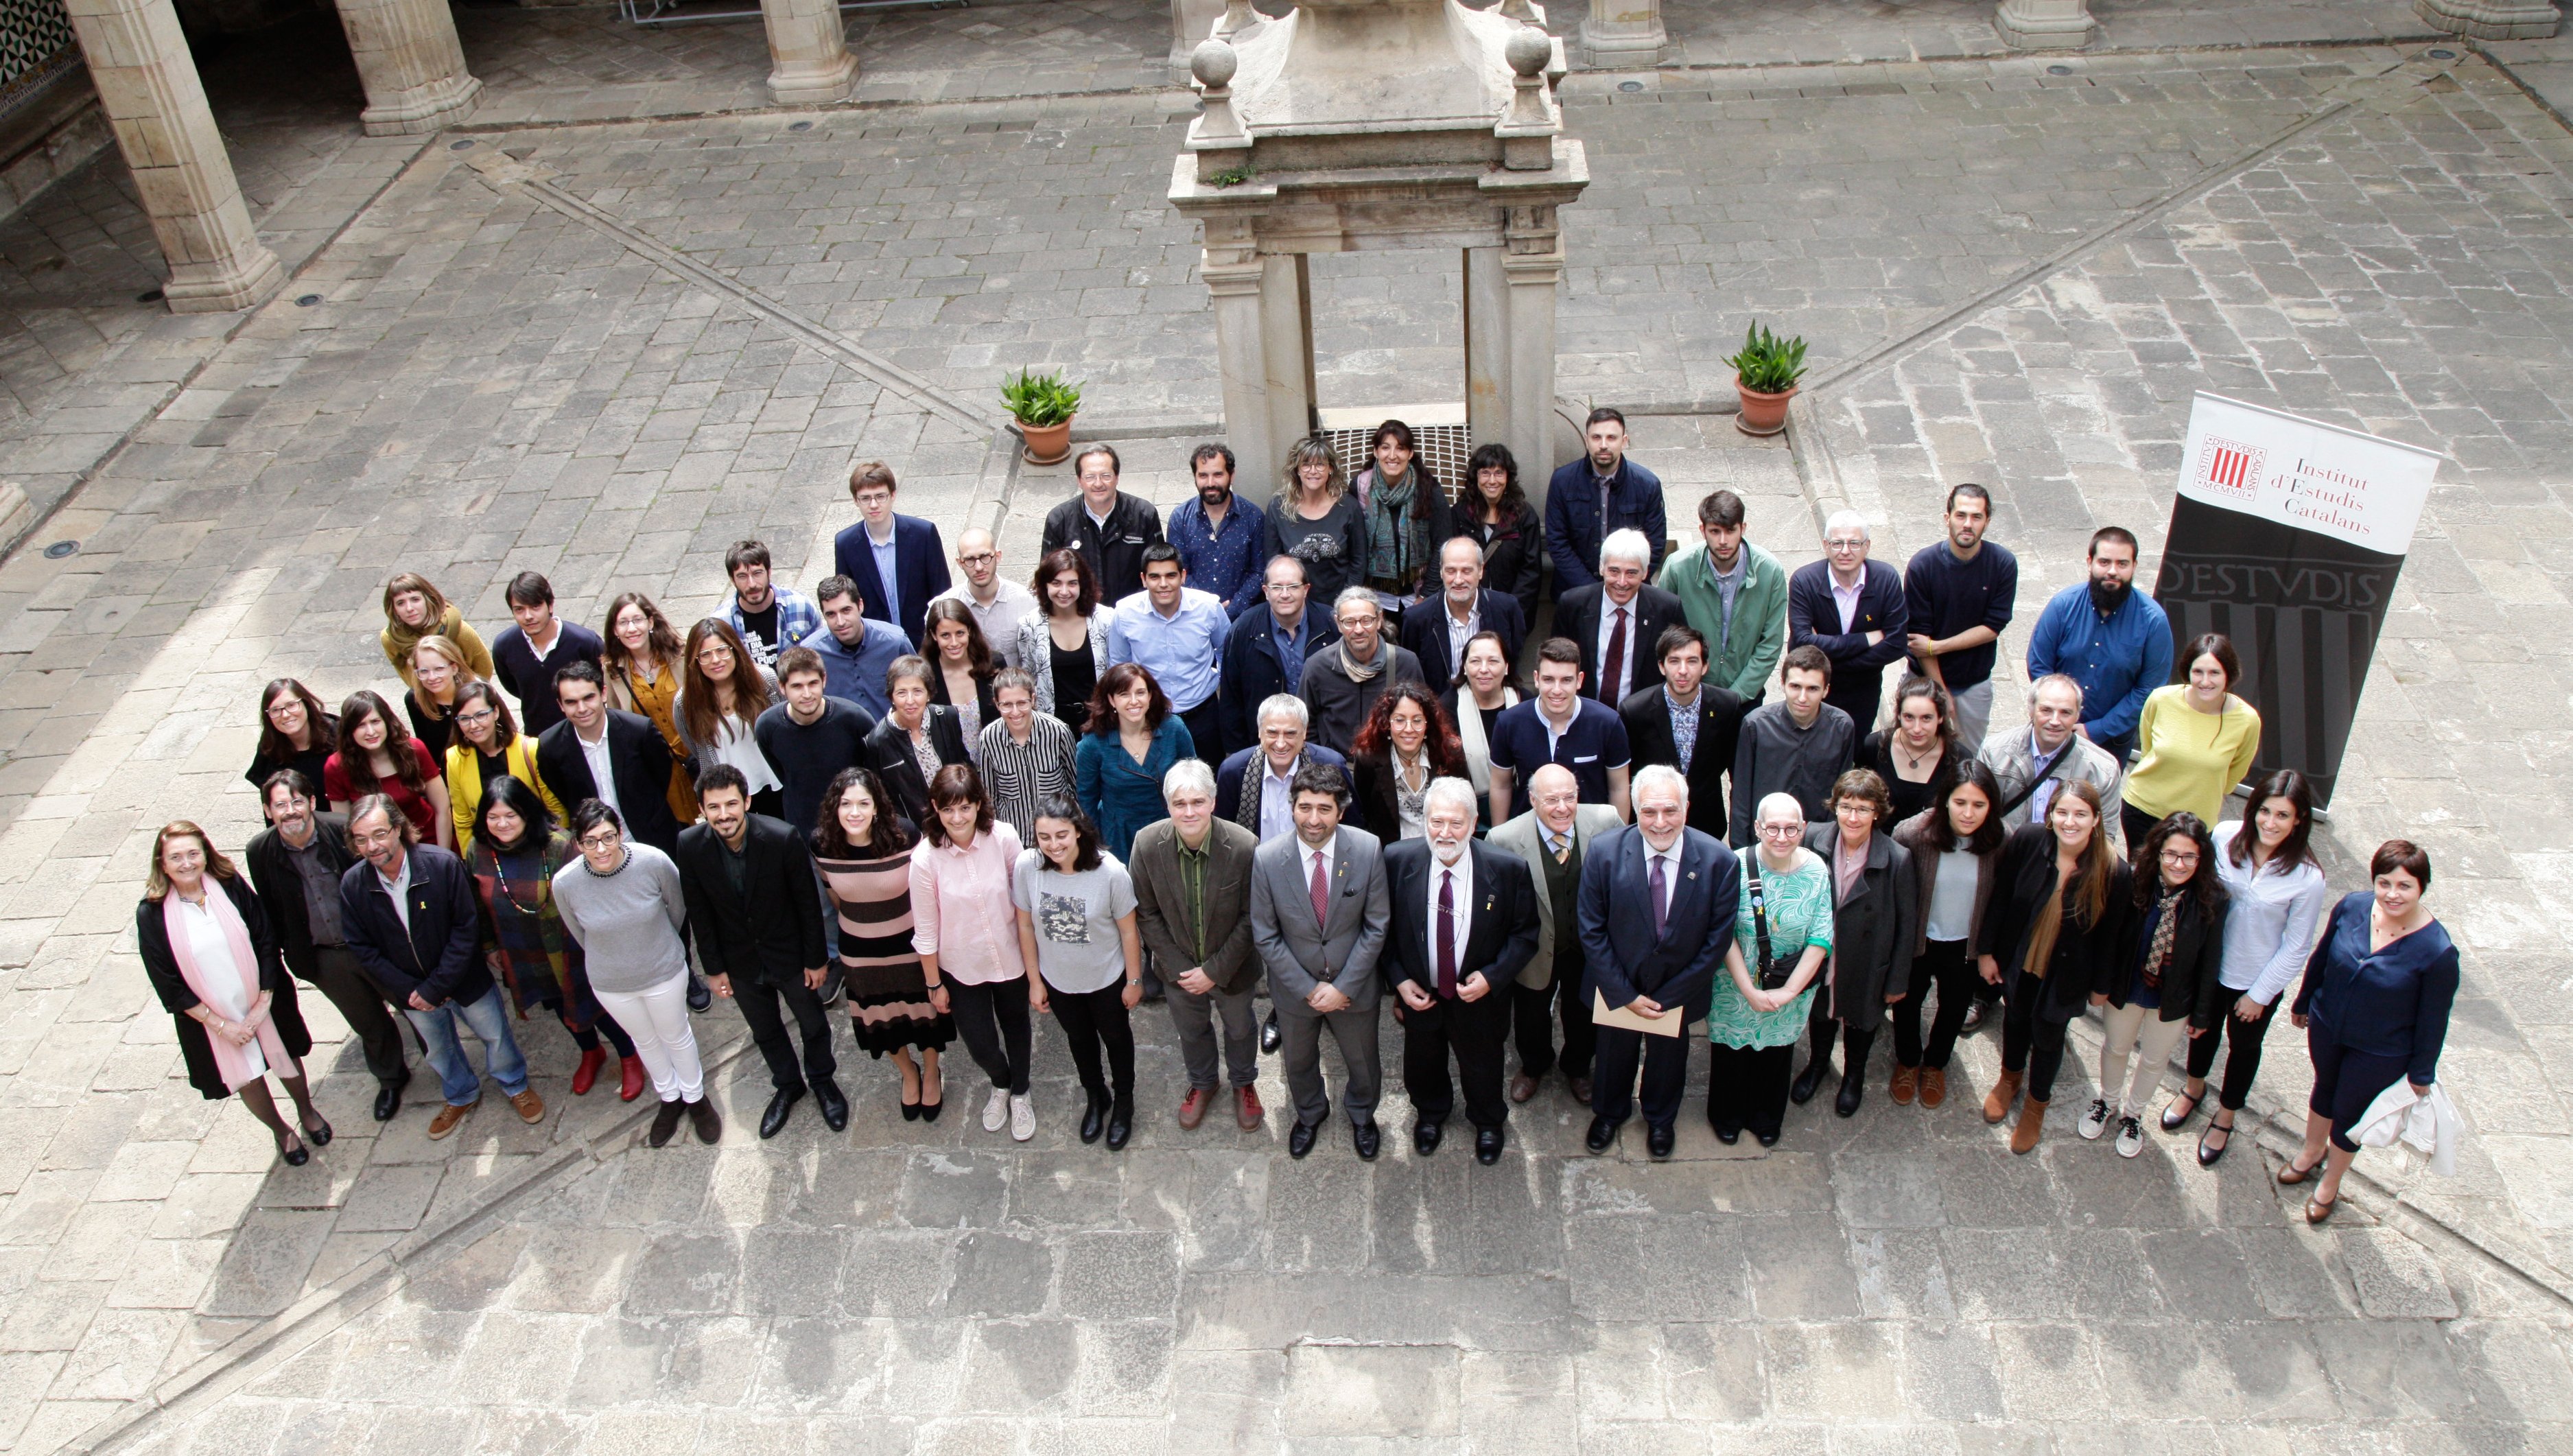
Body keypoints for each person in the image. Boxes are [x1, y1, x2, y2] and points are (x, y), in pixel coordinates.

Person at [339, 795, 544, 1140]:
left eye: (378, 834)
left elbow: (466, 928)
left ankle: (515, 1085)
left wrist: (437, 986)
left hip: (464, 981)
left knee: (495, 1036)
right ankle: (460, 1093)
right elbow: (362, 948)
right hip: (411, 993)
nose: (371, 846)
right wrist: (409, 992)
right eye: (361, 839)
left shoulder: (442, 865)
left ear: (398, 829)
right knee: (439, 1049)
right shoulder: (353, 885)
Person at [2282, 840, 2458, 1224]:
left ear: (2422, 888)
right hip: (2328, 1026)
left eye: (2404, 886)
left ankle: (2331, 1182)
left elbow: (2434, 1019)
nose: (2392, 894)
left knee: (2350, 1113)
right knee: (2324, 1088)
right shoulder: (2353, 906)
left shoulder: (2438, 952)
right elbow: (2324, 956)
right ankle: (2312, 1150)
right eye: (2384, 883)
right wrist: (2304, 999)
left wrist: (2421, 1074)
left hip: (2381, 1051)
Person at [139, 822, 328, 1166]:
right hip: (211, 1018)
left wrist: (264, 1002)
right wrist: (221, 1025)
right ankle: (282, 1130)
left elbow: (265, 936)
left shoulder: (229, 885)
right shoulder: (151, 914)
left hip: (262, 998)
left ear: (206, 854)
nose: (186, 864)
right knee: (247, 1075)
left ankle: (307, 1110)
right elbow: (165, 979)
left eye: (193, 854)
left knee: (286, 1056)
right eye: (176, 857)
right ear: (162, 863)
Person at [1577, 764, 1737, 1160]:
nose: (1660, 823)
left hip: (1677, 992)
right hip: (1620, 987)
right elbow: (1591, 929)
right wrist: (1624, 993)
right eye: (1649, 812)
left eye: (1670, 811)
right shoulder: (1604, 852)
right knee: (1613, 1054)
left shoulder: (1720, 862)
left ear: (1687, 807)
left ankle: (1660, 1119)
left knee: (1669, 1060)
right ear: (1634, 810)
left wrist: (1671, 995)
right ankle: (1610, 1113)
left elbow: (1717, 941)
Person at [2172, 769, 2327, 1166]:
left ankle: (2226, 1116)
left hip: (2256, 979)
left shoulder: (2307, 878)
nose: (2270, 823)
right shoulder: (2224, 836)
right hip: (2210, 966)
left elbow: (2297, 947)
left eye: (2282, 816)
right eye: (2265, 811)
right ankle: (2193, 1089)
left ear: (2299, 821)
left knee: (2244, 1047)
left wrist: (2259, 995)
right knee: (2200, 1031)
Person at [677, 765, 841, 1139]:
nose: (724, 815)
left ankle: (822, 1081)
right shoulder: (689, 845)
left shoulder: (782, 838)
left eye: (731, 804)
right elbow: (699, 911)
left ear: (747, 801)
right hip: (740, 963)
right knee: (765, 1031)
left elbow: (808, 905)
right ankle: (788, 1084)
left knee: (813, 1024)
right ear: (702, 809)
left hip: (790, 957)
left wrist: (817, 960)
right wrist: (714, 968)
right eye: (714, 807)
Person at [1382, 777, 1538, 1164]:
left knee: (1483, 1063)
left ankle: (1488, 1121)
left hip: (1480, 1000)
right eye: (1436, 822)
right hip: (1421, 995)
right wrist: (1398, 980)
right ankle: (1431, 1113)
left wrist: (1493, 977)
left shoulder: (1507, 869)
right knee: (1422, 1062)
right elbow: (1380, 931)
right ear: (1425, 822)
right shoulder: (1397, 861)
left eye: (1456, 823)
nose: (1445, 833)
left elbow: (1525, 936)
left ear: (1473, 824)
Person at [549, 800, 718, 1147]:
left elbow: (677, 907)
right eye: (591, 841)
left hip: (663, 972)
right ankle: (670, 1097)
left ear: (620, 833)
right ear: (578, 844)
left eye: (608, 837)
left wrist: (658, 946)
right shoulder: (566, 883)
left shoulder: (652, 862)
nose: (602, 848)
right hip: (611, 984)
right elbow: (580, 933)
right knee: (645, 1041)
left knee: (676, 1035)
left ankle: (696, 1097)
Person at [1977, 780, 2133, 1153]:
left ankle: (2036, 1105)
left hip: (2066, 975)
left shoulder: (2115, 871)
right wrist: (1987, 952)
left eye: (2081, 814)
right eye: (2062, 812)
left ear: (2096, 819)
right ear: (2050, 815)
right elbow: (1999, 898)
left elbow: (2114, 936)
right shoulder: (2030, 841)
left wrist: (2102, 985)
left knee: (2048, 1038)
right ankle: (2009, 1079)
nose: (2070, 822)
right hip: (2020, 960)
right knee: (2014, 1021)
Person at [246, 773, 412, 1120]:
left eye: (296, 802)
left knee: (414, 1005)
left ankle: (446, 1066)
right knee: (367, 1022)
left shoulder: (341, 831)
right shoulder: (259, 851)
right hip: (324, 956)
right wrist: (293, 957)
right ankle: (392, 1078)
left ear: (311, 802)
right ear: (267, 810)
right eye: (280, 805)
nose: (290, 811)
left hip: (373, 943)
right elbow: (271, 907)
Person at [464, 777, 642, 1101]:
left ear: (527, 814)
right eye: (493, 817)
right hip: (522, 947)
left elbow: (591, 896)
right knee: (557, 1003)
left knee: (593, 1004)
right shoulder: (478, 849)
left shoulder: (558, 845)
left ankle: (629, 1054)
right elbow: (477, 903)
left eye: (510, 815)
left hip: (568, 945)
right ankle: (590, 1051)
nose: (501, 824)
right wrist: (489, 946)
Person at [1249, 763, 1391, 1160]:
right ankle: (1310, 1113)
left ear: (1341, 811)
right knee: (1298, 1060)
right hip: (1296, 991)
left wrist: (1342, 987)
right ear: (1292, 807)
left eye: (1324, 809)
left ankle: (1363, 1114)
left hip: (1354, 988)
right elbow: (1266, 934)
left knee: (1363, 1060)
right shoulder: (1267, 858)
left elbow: (1376, 926)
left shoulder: (1366, 850)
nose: (1314, 819)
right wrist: (1309, 989)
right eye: (1305, 807)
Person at [1130, 760, 1265, 1132]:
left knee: (1240, 1028)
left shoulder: (1243, 845)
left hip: (1233, 969)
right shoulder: (1146, 844)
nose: (1189, 812)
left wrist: (1214, 972)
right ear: (1167, 805)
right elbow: (1146, 912)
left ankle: (1244, 1082)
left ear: (1213, 802)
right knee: (1192, 1030)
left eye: (1197, 802)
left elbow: (1252, 917)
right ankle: (1203, 1083)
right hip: (1179, 972)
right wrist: (1181, 968)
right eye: (1179, 804)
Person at [2082, 810, 2226, 1158]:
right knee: (2116, 1047)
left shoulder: (2213, 899)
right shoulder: (2133, 883)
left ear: (2202, 858)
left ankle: (2134, 1115)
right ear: (2158, 852)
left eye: (2189, 856)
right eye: (2171, 854)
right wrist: (2101, 984)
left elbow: (2211, 961)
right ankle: (2108, 1101)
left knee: (2154, 1059)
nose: (2179, 864)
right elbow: (2111, 938)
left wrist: (2202, 1015)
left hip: (2172, 998)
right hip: (2129, 986)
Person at [812, 766, 951, 1120]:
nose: (854, 812)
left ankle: (932, 1071)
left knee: (926, 1016)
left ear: (877, 807)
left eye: (863, 803)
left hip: (910, 948)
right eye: (846, 804)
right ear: (835, 808)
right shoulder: (822, 844)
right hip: (861, 955)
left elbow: (926, 890)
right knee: (882, 1022)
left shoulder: (904, 835)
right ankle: (909, 1074)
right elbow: (836, 898)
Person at [911, 764, 1039, 1142]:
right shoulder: (925, 859)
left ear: (978, 805)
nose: (957, 817)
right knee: (980, 1042)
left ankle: (1020, 1092)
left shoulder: (1003, 838)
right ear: (935, 808)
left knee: (1017, 1026)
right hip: (962, 967)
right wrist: (934, 983)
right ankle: (1001, 1081)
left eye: (965, 808)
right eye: (948, 809)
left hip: (1010, 956)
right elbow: (926, 929)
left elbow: (1024, 897)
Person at [1012, 796, 1144, 1149]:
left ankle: (1124, 1102)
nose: (1053, 845)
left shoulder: (1110, 872)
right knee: (1079, 1039)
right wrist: (1035, 981)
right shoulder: (1027, 866)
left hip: (1106, 978)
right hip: (1059, 981)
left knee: (1116, 1040)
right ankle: (1095, 1094)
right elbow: (1025, 926)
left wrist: (1134, 980)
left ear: (1078, 832)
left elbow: (1129, 930)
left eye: (1061, 835)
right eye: (1044, 837)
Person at [1704, 792, 1832, 1147]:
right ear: (1757, 828)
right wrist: (1748, 990)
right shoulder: (1733, 865)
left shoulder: (1817, 871)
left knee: (1777, 1056)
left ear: (1803, 829)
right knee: (1731, 1055)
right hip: (1735, 984)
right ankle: (1726, 1114)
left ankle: (1766, 1116)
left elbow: (1821, 938)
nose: (1781, 837)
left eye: (1791, 828)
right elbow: (1722, 933)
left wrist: (1788, 992)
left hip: (1790, 986)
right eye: (1772, 828)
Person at [1490, 764, 1621, 1106]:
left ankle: (1578, 1068)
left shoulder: (1606, 822)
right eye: (1551, 800)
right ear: (1532, 800)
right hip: (1534, 950)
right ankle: (1533, 1066)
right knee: (1531, 1015)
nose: (1562, 807)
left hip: (1587, 947)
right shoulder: (1503, 839)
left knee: (1583, 1013)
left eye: (1569, 797)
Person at [1793, 769, 1916, 1118]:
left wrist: (1897, 980)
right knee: (1822, 1011)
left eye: (1863, 808)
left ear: (1878, 812)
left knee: (1861, 1018)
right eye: (1846, 806)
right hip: (1821, 954)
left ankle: (1854, 1074)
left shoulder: (1896, 858)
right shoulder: (1813, 839)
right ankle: (1817, 1065)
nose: (1853, 817)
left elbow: (1907, 926)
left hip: (1866, 959)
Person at [1888, 762, 2004, 1109]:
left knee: (1953, 1008)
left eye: (1979, 805)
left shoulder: (2000, 841)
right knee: (1907, 1004)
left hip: (1964, 946)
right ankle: (1908, 1061)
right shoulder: (1912, 834)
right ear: (1944, 802)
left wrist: (1988, 951)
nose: (1968, 814)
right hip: (1919, 942)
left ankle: (1936, 1063)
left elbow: (2001, 902)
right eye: (1960, 803)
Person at [2024, 526, 2171, 760]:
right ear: (2090, 562)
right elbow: (2039, 665)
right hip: (2052, 733)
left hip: (2110, 744)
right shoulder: (2062, 606)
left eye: (2122, 564)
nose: (2112, 571)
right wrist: (2061, 718)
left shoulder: (2153, 621)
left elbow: (2148, 689)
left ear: (2134, 567)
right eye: (2104, 562)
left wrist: (2096, 730)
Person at [2120, 631, 2262, 848]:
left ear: (2229, 674)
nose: (2205, 681)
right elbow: (2148, 750)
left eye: (2215, 673)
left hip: (2197, 823)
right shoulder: (2161, 699)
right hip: (2143, 810)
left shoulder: (2247, 720)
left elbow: (2235, 773)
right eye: (2198, 672)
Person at [1902, 484, 2017, 749]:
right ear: (1947, 519)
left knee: (1968, 757)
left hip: (1974, 682)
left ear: (1987, 522)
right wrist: (1940, 691)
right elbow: (1918, 637)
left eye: (1977, 517)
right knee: (1911, 749)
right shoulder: (1923, 566)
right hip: (1923, 680)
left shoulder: (2002, 564)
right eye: (1961, 515)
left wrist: (1938, 646)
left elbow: (1993, 626)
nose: (1968, 524)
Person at [535, 660, 685, 856]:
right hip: (595, 848)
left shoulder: (639, 731)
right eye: (571, 702)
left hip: (650, 837)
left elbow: (662, 773)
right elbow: (562, 791)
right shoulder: (550, 746)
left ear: (603, 694)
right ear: (560, 705)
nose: (581, 708)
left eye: (588, 698)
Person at [1658, 489, 1789, 707]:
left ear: (1743, 529)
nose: (1723, 540)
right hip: (1688, 692)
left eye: (1730, 531)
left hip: (1745, 697)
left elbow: (1771, 643)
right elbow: (1662, 630)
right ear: (1703, 530)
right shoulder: (1678, 567)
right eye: (1715, 531)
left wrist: (1736, 695)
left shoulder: (1770, 571)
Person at [1486, 638, 1632, 825]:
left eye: (1566, 680)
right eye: (1549, 680)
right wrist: (1500, 840)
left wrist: (1617, 842)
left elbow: (1619, 788)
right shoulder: (1509, 723)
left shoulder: (1608, 723)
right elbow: (1501, 785)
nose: (1557, 690)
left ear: (1579, 680)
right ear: (1536, 679)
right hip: (1528, 834)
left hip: (1592, 835)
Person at [1619, 624, 1745, 840]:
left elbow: (1738, 775)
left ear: (1705, 666)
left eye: (1692, 661)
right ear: (1662, 666)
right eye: (1675, 661)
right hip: (1653, 827)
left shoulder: (1727, 706)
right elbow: (1627, 778)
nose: (1683, 670)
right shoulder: (1635, 711)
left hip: (1707, 824)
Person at [1788, 510, 1909, 730]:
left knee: (1857, 750)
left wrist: (1832, 660)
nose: (1845, 551)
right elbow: (1802, 642)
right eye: (1837, 543)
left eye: (1854, 543)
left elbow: (1897, 644)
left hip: (1864, 692)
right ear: (1826, 545)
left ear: (1867, 546)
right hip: (1815, 692)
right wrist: (1865, 640)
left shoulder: (1886, 579)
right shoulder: (1804, 582)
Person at [1106, 544, 1229, 758]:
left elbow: (1228, 651)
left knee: (1208, 783)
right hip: (1151, 718)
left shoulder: (1209, 607)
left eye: (1171, 575)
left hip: (1204, 715)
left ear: (1183, 576)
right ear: (1144, 579)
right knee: (1157, 786)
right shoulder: (1125, 614)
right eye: (1155, 577)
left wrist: (1218, 679)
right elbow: (1119, 666)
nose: (1163, 584)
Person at [1977, 672, 2127, 845]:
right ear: (2031, 710)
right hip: (2007, 855)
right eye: (2047, 710)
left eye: (2065, 713)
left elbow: (2104, 838)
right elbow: (1979, 815)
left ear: (2077, 715)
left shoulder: (2103, 769)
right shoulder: (1994, 752)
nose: (2055, 721)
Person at [1727, 646, 1855, 847]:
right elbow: (1742, 794)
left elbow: (1842, 794)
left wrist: (1832, 846)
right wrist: (1742, 853)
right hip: (1764, 842)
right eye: (1796, 687)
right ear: (1783, 684)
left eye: (1812, 688)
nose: (1802, 697)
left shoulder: (1841, 728)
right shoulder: (1756, 725)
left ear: (1826, 690)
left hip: (1816, 843)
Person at [1076, 661, 1196, 864]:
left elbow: (1193, 778)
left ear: (1150, 696)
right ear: (1111, 700)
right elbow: (1087, 801)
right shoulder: (1092, 744)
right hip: (1119, 838)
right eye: (1124, 694)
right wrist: (1096, 848)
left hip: (1170, 828)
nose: (1134, 701)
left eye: (1140, 693)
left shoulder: (1173, 729)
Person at [601, 591, 702, 827]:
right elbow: (618, 721)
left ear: (650, 622)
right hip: (657, 768)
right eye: (623, 623)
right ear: (615, 630)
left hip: (694, 756)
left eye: (637, 620)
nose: (632, 628)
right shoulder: (613, 671)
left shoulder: (681, 654)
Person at [1558, 528, 1687, 711]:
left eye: (1632, 573)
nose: (1622, 582)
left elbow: (1680, 665)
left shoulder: (1667, 609)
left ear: (1645, 573)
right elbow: (1557, 663)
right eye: (1614, 571)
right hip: (1584, 717)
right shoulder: (1573, 605)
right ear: (1602, 568)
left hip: (1644, 721)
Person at [754, 646, 877, 836]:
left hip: (855, 827)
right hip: (804, 828)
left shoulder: (855, 719)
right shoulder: (767, 727)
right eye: (797, 686)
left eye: (813, 683)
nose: (807, 694)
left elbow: (875, 777)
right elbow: (784, 775)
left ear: (824, 680)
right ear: (781, 686)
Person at [1219, 555, 1337, 752]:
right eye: (1277, 587)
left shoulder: (1331, 624)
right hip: (1267, 746)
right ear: (1265, 591)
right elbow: (1231, 699)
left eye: (1292, 586)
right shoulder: (1243, 630)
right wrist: (1239, 754)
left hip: (1321, 744)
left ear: (1306, 589)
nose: (1285, 594)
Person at [1546, 406, 1667, 591]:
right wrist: (1591, 591)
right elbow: (1557, 542)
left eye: (1611, 437)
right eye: (1596, 437)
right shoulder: (1562, 481)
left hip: (1629, 592)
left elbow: (1655, 544)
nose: (1603, 444)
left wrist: (1623, 584)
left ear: (1624, 441)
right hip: (1576, 593)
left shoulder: (1647, 485)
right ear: (1587, 441)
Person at [674, 618, 785, 820]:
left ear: (735, 649)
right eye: (705, 655)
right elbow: (695, 744)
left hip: (775, 782)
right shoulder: (685, 701)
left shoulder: (765, 680)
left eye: (721, 650)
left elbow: (785, 726)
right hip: (728, 795)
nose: (716, 660)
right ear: (694, 661)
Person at [834, 460, 952, 647]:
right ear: (856, 501)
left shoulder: (923, 534)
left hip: (925, 642)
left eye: (880, 496)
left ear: (893, 495)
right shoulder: (845, 544)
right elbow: (846, 598)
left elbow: (942, 592)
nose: (874, 505)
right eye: (866, 498)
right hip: (877, 646)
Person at [1300, 589, 1426, 758]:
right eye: (1350, 622)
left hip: (1390, 768)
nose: (1359, 629)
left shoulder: (1406, 663)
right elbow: (1304, 722)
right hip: (1337, 770)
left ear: (1379, 619)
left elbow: (1423, 716)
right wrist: (1322, 761)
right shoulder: (1317, 666)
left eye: (1366, 620)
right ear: (1338, 623)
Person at [444, 682, 565, 855]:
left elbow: (555, 808)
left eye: (481, 715)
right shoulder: (455, 758)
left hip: (537, 846)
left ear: (495, 712)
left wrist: (558, 850)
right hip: (491, 852)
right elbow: (463, 820)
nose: (473, 725)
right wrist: (472, 862)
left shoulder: (530, 749)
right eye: (464, 719)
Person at [325, 690, 452, 850]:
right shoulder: (336, 767)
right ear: (349, 730)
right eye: (360, 725)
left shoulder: (414, 749)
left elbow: (442, 808)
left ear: (387, 721)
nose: (370, 732)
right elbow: (345, 826)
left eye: (375, 721)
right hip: (377, 849)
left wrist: (444, 855)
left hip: (428, 839)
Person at [1399, 536, 1528, 693]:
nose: (1458, 580)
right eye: (1451, 571)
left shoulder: (1506, 609)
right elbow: (1414, 679)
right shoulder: (1416, 619)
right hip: (1440, 711)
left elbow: (1513, 661)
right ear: (1441, 572)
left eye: (1466, 571)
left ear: (1481, 570)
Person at [1041, 445, 1164, 607]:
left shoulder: (1144, 514)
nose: (1098, 484)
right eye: (1090, 477)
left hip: (1133, 613)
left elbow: (1160, 570)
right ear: (1079, 481)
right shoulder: (1059, 520)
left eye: (1106, 476)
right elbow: (1048, 578)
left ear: (1117, 477)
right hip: (1080, 615)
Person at [1215, 694, 1349, 843]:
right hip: (1253, 863)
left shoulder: (1332, 765)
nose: (1280, 744)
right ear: (1260, 731)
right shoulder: (1233, 772)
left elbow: (1351, 830)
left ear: (1304, 732)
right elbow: (1223, 835)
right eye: (1272, 733)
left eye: (1290, 734)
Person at [1350, 419, 1455, 602]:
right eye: (1385, 447)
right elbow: (1353, 546)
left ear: (1410, 453)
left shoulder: (1428, 488)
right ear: (1376, 451)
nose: (1392, 455)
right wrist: (1360, 596)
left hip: (1418, 594)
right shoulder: (1360, 487)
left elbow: (1443, 544)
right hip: (1372, 597)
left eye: (1400, 448)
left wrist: (1426, 595)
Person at [489, 572, 605, 738]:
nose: (528, 616)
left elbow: (604, 683)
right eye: (519, 609)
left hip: (588, 734)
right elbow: (515, 687)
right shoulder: (504, 647)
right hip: (539, 739)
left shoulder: (585, 642)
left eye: (535, 607)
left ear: (550, 605)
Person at [1352, 682, 1467, 845]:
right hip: (1392, 854)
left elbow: (1465, 806)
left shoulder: (1449, 752)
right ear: (1387, 723)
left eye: (1417, 721)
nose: (1409, 729)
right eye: (1399, 720)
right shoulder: (1369, 758)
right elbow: (1363, 813)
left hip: (1443, 847)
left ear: (1428, 724)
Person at [1017, 548, 1115, 734]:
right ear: (1045, 585)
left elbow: (1116, 671)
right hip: (1052, 727)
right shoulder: (1029, 625)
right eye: (1056, 583)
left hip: (1101, 722)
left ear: (1082, 585)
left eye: (1072, 583)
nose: (1064, 591)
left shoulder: (1106, 620)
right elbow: (1029, 678)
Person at [1262, 436, 1369, 605]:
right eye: (1306, 464)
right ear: (1297, 469)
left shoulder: (1348, 507)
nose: (1313, 471)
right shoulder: (1278, 507)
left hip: (1338, 603)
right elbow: (1272, 562)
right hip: (1293, 605)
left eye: (1320, 464)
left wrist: (1347, 600)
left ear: (1331, 469)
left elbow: (1359, 561)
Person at [977, 668, 1078, 844]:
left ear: (1033, 699)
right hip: (1016, 838)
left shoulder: (1058, 732)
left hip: (1058, 837)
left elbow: (1076, 786)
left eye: (1022, 703)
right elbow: (990, 797)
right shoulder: (988, 739)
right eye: (1007, 705)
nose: (1015, 712)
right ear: (996, 704)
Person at [1168, 443, 1267, 618]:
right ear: (1195, 477)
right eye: (1203, 476)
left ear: (1232, 475)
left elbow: (1260, 572)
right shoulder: (1180, 518)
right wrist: (1206, 606)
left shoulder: (1253, 516)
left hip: (1243, 619)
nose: (1210, 483)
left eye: (1218, 475)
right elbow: (1178, 570)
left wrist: (1233, 608)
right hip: (1193, 617)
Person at [1854, 677, 1965, 827]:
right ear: (1899, 715)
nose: (1917, 728)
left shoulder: (1959, 758)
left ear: (1940, 718)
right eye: (1909, 717)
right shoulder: (1874, 746)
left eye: (1926, 718)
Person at [801, 575, 913, 721]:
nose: (840, 622)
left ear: (860, 606)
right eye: (831, 614)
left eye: (846, 610)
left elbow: (919, 687)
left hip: (894, 735)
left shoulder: (895, 642)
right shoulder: (810, 653)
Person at [929, 528, 1040, 670]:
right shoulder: (941, 607)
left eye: (985, 557)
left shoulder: (1027, 602)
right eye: (970, 559)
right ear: (960, 563)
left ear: (998, 556)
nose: (979, 567)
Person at [1458, 441, 1543, 623]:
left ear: (1508, 477)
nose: (1492, 481)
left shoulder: (1525, 517)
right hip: (1468, 613)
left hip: (1512, 613)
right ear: (1476, 477)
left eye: (1499, 473)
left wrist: (1511, 610)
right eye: (1485, 473)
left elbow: (1531, 572)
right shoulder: (1461, 514)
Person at [1445, 632, 1520, 828]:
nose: (1484, 670)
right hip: (1468, 816)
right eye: (1476, 661)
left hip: (1522, 809)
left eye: (1493, 661)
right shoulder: (1447, 707)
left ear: (1507, 667)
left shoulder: (1525, 702)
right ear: (1464, 667)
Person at [379, 572, 493, 698]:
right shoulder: (390, 639)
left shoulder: (458, 629)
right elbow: (406, 675)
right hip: (428, 701)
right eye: (400, 603)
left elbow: (484, 668)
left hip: (467, 697)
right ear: (393, 608)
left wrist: (469, 694)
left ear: (428, 600)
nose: (409, 608)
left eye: (415, 600)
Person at [720, 539, 821, 668]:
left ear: (769, 572)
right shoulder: (722, 622)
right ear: (732, 580)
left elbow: (822, 657)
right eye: (742, 576)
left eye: (757, 573)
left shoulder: (802, 606)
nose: (751, 584)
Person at [247, 680, 338, 810]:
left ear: (306, 703)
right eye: (275, 710)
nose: (285, 715)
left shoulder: (336, 735)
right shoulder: (270, 748)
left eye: (291, 705)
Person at [923, 598, 1000, 743]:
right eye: (945, 635)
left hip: (995, 758)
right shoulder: (925, 675)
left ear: (969, 631)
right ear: (934, 635)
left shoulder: (994, 664)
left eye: (960, 633)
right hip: (951, 763)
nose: (954, 643)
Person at [402, 635, 477, 762]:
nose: (432, 677)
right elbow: (426, 748)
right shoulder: (414, 699)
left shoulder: (477, 693)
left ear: (454, 668)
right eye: (424, 671)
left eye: (439, 669)